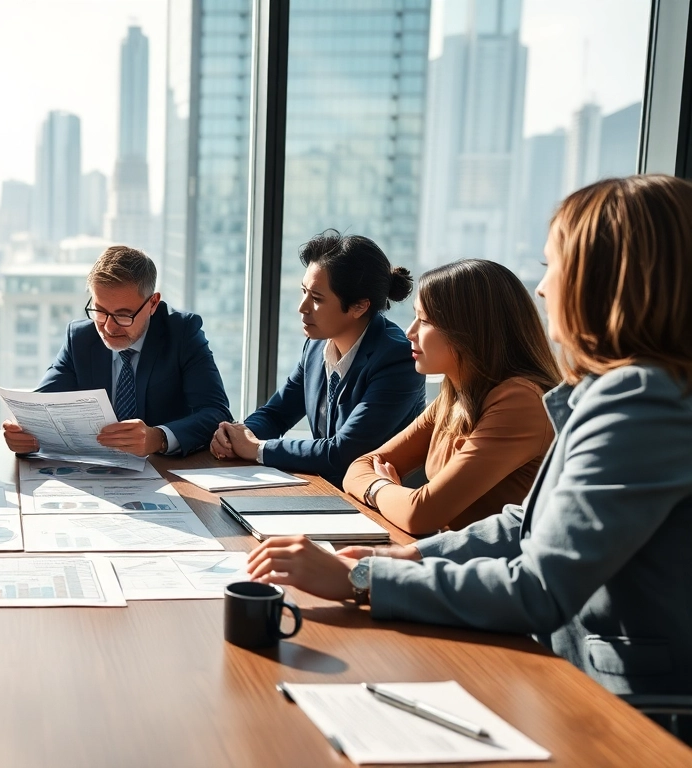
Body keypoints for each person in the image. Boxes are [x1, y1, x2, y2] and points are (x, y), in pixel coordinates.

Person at [245, 175, 692, 699]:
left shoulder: (641, 405)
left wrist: (362, 581)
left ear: (607, 282)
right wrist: (403, 559)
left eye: (554, 268)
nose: (544, 289)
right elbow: (525, 523)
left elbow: (539, 587)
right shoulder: (616, 391)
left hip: (634, 704)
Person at [341, 259, 559, 534]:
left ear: (470, 331)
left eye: (425, 320)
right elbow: (359, 467)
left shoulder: (520, 401)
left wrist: (381, 487)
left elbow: (420, 514)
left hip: (493, 571)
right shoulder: (454, 397)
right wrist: (390, 493)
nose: (410, 332)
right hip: (448, 560)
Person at [211, 231, 424, 485]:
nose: (302, 307)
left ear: (359, 306)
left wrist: (257, 449)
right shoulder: (316, 345)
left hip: (379, 506)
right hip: (327, 493)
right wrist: (237, 435)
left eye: (317, 298)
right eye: (304, 291)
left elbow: (342, 452)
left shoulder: (397, 360)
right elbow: (277, 414)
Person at [2, 245, 232, 457]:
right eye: (100, 311)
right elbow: (43, 405)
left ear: (153, 304)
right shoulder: (80, 338)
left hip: (167, 471)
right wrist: (24, 433)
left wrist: (159, 438)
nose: (109, 327)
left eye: (123, 314)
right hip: (94, 473)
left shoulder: (182, 332)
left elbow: (216, 412)